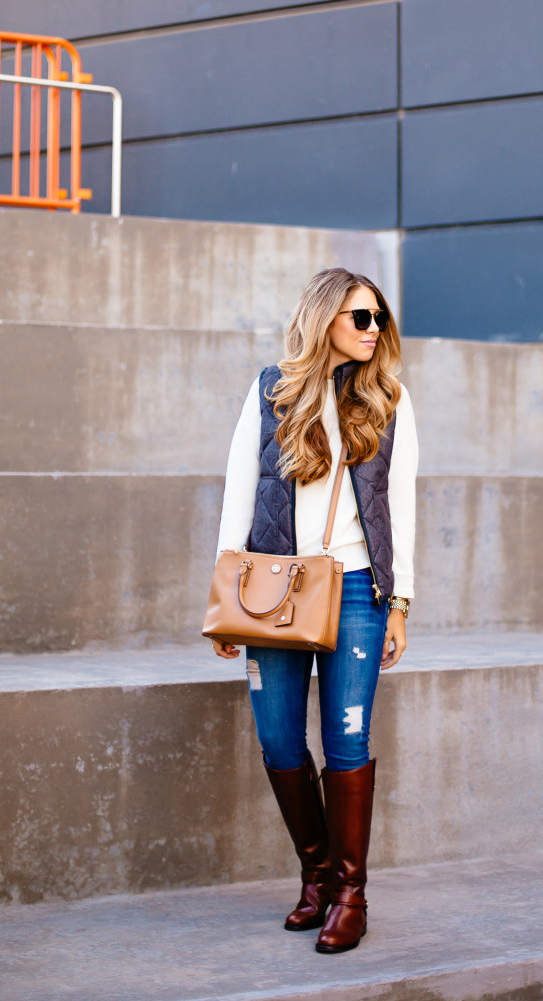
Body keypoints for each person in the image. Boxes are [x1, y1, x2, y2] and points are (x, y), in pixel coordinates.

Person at [211, 267, 418, 953]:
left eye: (377, 319)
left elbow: (402, 506)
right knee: (277, 741)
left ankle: (350, 896)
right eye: (359, 318)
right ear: (324, 318)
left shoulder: (387, 397)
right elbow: (239, 490)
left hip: (357, 589)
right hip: (274, 589)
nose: (372, 331)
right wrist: (228, 592)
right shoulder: (272, 389)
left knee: (347, 741)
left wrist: (400, 601)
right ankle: (316, 876)